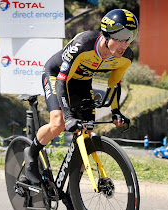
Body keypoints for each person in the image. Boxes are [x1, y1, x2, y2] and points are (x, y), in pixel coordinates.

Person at [23, 9, 139, 184]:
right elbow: (62, 81)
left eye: (129, 37)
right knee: (59, 122)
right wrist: (69, 117)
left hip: (82, 82)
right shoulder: (84, 43)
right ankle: (31, 153)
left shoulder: (126, 57)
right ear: (106, 35)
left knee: (86, 134)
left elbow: (114, 84)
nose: (125, 44)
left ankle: (73, 188)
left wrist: (116, 112)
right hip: (57, 75)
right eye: (120, 38)